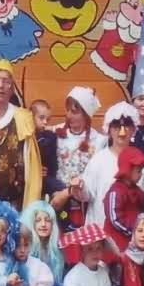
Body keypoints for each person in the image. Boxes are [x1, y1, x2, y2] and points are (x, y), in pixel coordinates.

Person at [0, 59, 42, 211]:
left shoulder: (22, 118)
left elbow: (32, 169)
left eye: (6, 81)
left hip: (15, 206)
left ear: (11, 88)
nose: (1, 85)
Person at [80, 102, 144, 227]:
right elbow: (87, 194)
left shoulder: (140, 160)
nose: (122, 131)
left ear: (133, 129)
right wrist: (79, 189)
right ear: (109, 130)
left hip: (132, 230)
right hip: (101, 228)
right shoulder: (98, 160)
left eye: (127, 126)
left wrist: (138, 220)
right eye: (116, 126)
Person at [52, 87, 107, 247]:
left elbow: (96, 175)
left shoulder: (99, 141)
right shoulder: (56, 133)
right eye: (68, 110)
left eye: (75, 112)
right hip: (58, 201)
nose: (69, 115)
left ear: (86, 114)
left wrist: (71, 191)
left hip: (83, 205)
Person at [104, 147, 144, 252]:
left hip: (135, 242)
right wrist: (133, 232)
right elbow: (115, 219)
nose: (141, 175)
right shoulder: (116, 191)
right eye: (139, 171)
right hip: (118, 244)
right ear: (128, 170)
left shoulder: (136, 190)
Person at [30, 99, 64, 200]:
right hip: (28, 179)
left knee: (62, 188)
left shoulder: (49, 137)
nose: (45, 122)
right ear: (31, 116)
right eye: (41, 118)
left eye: (47, 119)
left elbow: (53, 165)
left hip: (46, 178)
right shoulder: (25, 137)